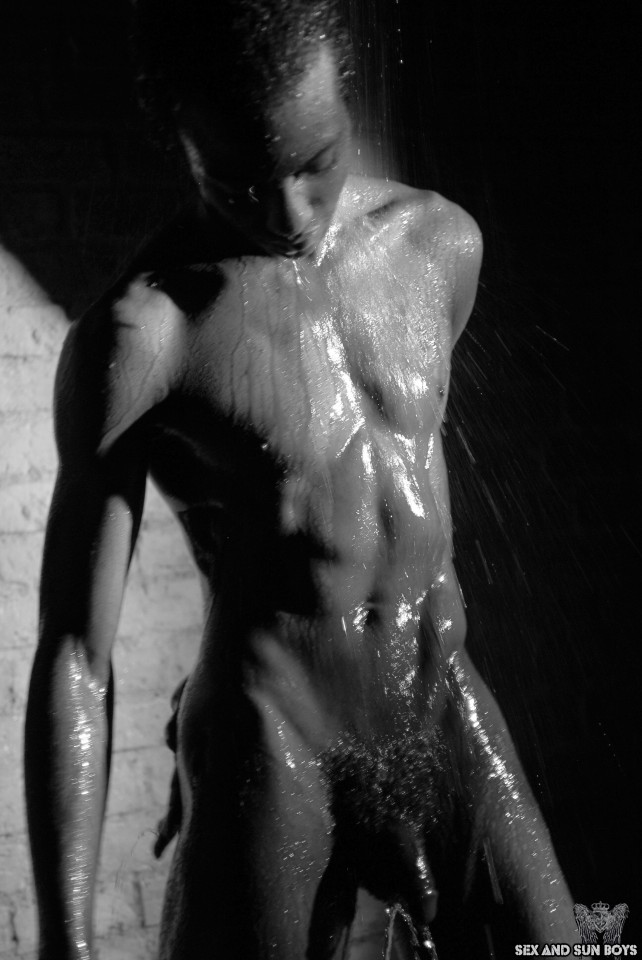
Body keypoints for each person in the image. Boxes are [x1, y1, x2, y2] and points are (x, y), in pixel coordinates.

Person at [24, 1, 578, 957]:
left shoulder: (440, 247)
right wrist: (63, 941)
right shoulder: (145, 336)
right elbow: (76, 651)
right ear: (183, 143)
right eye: (238, 180)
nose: (286, 212)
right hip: (275, 744)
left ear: (345, 101)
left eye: (315, 162)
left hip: (438, 702)